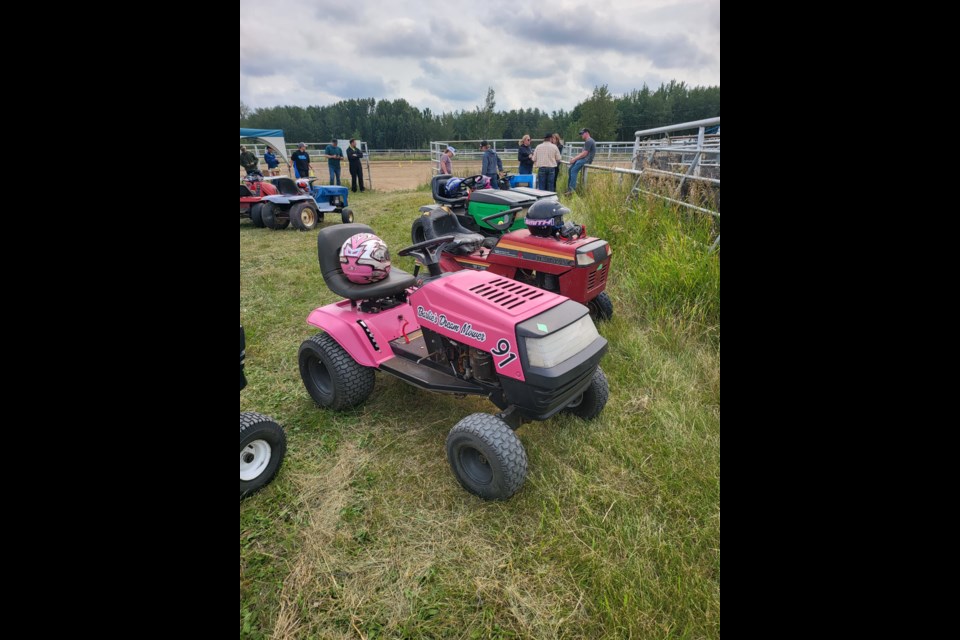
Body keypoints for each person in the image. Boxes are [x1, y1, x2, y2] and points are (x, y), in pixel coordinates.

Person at [566, 128, 596, 195]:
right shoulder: (587, 141)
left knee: (573, 170)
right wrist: (575, 158)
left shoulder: (589, 141)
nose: (581, 135)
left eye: (582, 133)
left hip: (586, 159)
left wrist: (574, 159)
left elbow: (584, 154)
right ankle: (569, 188)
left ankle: (571, 190)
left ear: (587, 133)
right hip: (584, 159)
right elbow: (582, 153)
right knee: (570, 169)